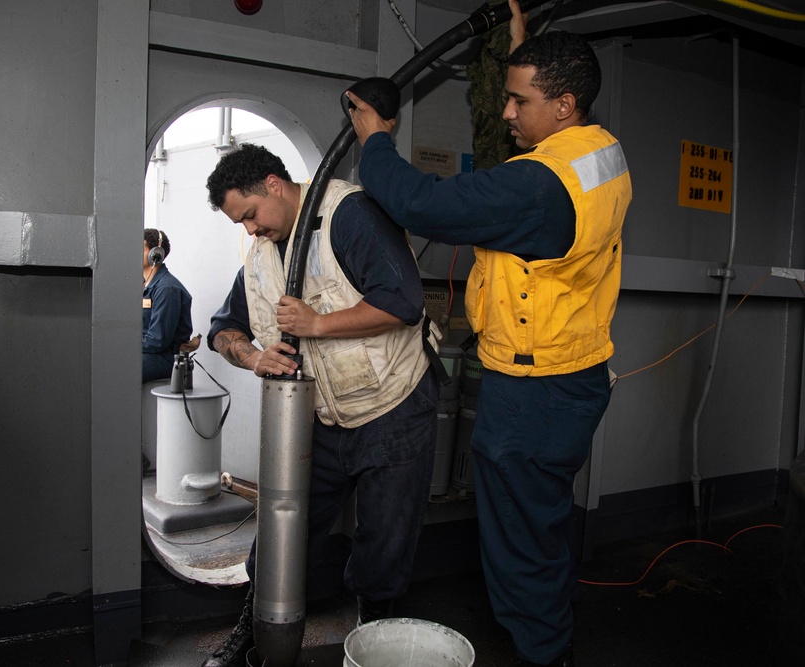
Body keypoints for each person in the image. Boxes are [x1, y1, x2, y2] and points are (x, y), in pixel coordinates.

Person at [346, 2, 632, 665]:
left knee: (520, 541)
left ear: (563, 104)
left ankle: (542, 653)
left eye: (518, 99)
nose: (507, 112)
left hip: (534, 392)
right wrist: (521, 45)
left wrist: (375, 139)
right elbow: (529, 146)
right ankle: (550, 636)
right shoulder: (598, 151)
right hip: (575, 374)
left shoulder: (538, 188)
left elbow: (422, 205)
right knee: (542, 521)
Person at [201, 143, 440, 667]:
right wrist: (252, 355)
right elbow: (222, 330)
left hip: (393, 407)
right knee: (282, 538)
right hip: (324, 420)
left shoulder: (348, 213)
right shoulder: (260, 255)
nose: (249, 230)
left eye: (249, 215)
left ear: (273, 184)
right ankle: (255, 631)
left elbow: (403, 301)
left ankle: (372, 642)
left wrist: (318, 324)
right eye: (239, 224)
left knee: (384, 547)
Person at [142, 228, 193, 384]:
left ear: (155, 254)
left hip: (163, 358)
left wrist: (124, 344)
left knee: (118, 366)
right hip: (144, 352)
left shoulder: (167, 289)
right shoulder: (144, 286)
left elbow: (157, 340)